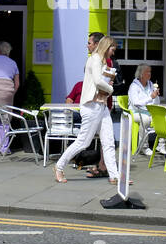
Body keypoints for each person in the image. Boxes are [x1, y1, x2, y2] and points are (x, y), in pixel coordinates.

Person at [55, 36, 128, 201]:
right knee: (83, 142)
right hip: (91, 107)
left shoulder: (102, 61)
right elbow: (97, 82)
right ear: (106, 47)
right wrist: (111, 88)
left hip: (101, 107)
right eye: (112, 49)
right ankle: (59, 167)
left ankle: (115, 176)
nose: (113, 53)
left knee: (109, 142)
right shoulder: (95, 60)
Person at [128, 64, 161, 155]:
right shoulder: (134, 86)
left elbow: (156, 103)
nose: (150, 74)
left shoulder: (151, 84)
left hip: (149, 111)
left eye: (150, 71)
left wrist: (156, 96)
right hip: (136, 111)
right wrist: (150, 97)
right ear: (141, 74)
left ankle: (161, 145)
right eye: (147, 72)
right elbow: (136, 103)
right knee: (145, 119)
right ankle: (144, 147)